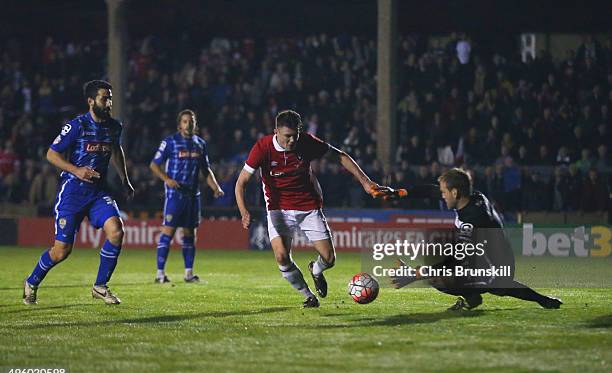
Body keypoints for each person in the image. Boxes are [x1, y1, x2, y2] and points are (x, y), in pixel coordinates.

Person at [235, 110, 385, 308]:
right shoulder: (262, 147)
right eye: (287, 136)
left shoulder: (306, 142)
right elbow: (241, 183)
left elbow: (340, 156)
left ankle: (316, 270)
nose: (292, 140)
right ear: (276, 132)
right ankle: (308, 295)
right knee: (281, 256)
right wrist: (244, 211)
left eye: (295, 135)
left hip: (308, 207)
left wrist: (365, 182)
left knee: (329, 259)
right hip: (278, 209)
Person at [379, 168, 562, 310]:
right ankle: (477, 295)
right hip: (483, 256)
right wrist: (399, 192)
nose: (441, 196)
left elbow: (457, 260)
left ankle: (474, 296)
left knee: (442, 276)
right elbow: (431, 191)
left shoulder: (472, 221)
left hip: (495, 266)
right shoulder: (473, 196)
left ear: (455, 193)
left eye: (444, 192)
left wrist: (418, 274)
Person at [23, 80, 134, 305]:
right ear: (91, 101)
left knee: (116, 231)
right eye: (105, 98)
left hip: (98, 192)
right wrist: (77, 170)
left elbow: (116, 149)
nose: (109, 102)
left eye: (110, 97)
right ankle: (32, 281)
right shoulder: (77, 126)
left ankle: (100, 286)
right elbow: (51, 154)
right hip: (72, 193)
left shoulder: (114, 126)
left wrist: (124, 178)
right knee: (61, 251)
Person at [150, 109, 224, 283]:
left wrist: (215, 187)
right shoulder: (170, 142)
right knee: (168, 232)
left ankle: (188, 274)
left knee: (190, 234)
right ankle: (160, 274)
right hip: (175, 196)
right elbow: (154, 165)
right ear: (179, 124)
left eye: (191, 121)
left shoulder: (200, 144)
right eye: (185, 121)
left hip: (193, 196)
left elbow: (206, 170)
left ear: (195, 124)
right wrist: (167, 179)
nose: (188, 124)